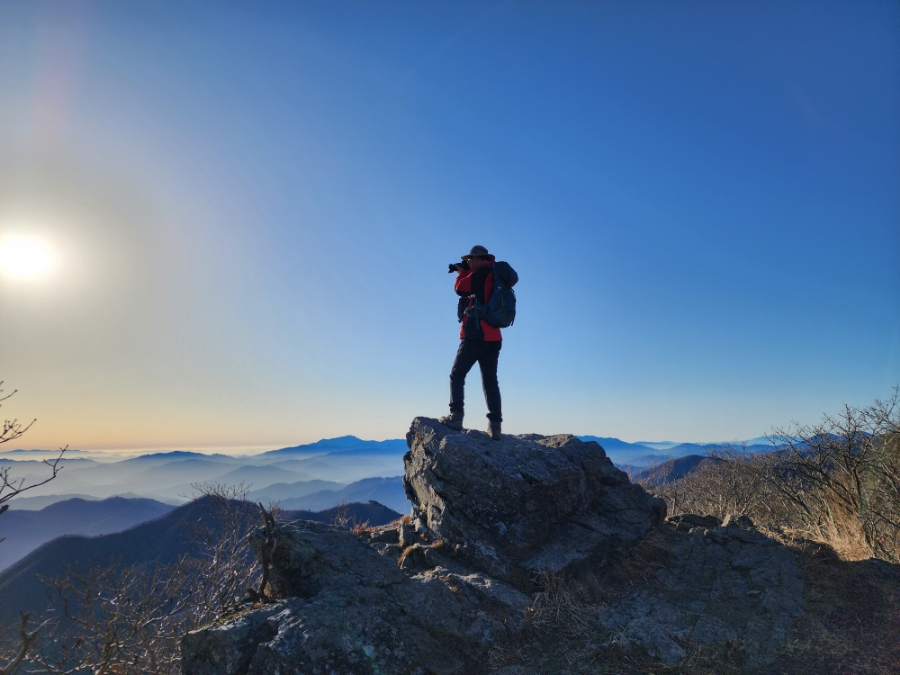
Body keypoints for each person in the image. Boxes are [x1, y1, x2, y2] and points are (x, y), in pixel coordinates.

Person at [439, 245, 503, 440]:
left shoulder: (482, 272)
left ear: (476, 258)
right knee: (490, 381)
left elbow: (460, 289)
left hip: (476, 333)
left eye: (469, 260)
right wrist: (466, 271)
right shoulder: (495, 273)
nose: (467, 262)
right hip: (494, 336)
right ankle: (495, 427)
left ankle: (455, 418)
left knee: (456, 374)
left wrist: (460, 273)